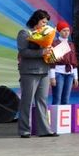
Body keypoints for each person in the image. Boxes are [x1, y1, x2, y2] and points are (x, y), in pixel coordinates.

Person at [16, 9, 56, 137]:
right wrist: (42, 52)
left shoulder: (46, 34)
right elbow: (23, 52)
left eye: (46, 23)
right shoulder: (24, 33)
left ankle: (44, 130)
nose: (45, 25)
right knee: (27, 101)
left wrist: (52, 54)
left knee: (42, 101)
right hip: (29, 72)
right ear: (36, 20)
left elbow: (46, 52)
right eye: (43, 22)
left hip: (44, 70)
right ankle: (24, 130)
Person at [49, 21, 78, 105]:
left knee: (66, 99)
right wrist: (52, 77)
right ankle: (55, 114)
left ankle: (64, 114)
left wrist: (76, 77)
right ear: (59, 31)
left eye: (68, 30)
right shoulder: (54, 43)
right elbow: (51, 62)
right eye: (64, 30)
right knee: (57, 98)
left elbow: (74, 62)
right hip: (58, 73)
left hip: (70, 74)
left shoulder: (71, 44)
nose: (66, 32)